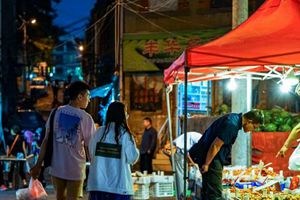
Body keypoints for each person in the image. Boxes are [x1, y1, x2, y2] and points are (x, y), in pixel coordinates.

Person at [31, 81, 96, 200]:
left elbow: (46, 141)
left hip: (57, 168)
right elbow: (89, 147)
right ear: (79, 97)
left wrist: (38, 165)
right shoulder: (86, 118)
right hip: (75, 169)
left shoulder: (56, 112)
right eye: (88, 96)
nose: (89, 99)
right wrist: (95, 168)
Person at [189, 110, 264, 199]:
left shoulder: (234, 117)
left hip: (209, 156)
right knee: (215, 194)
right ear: (249, 121)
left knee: (207, 191)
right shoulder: (232, 125)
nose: (253, 130)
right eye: (254, 127)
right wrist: (207, 164)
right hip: (212, 159)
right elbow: (215, 146)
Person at [87, 101, 139, 200]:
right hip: (119, 187)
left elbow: (91, 152)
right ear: (123, 115)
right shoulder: (125, 134)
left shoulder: (98, 133)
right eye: (126, 112)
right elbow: (132, 158)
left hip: (98, 185)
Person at [173, 132, 202, 198]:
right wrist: (193, 163)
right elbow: (186, 153)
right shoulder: (200, 140)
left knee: (184, 176)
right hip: (180, 153)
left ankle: (184, 195)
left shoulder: (200, 138)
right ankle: (182, 196)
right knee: (181, 176)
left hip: (181, 151)